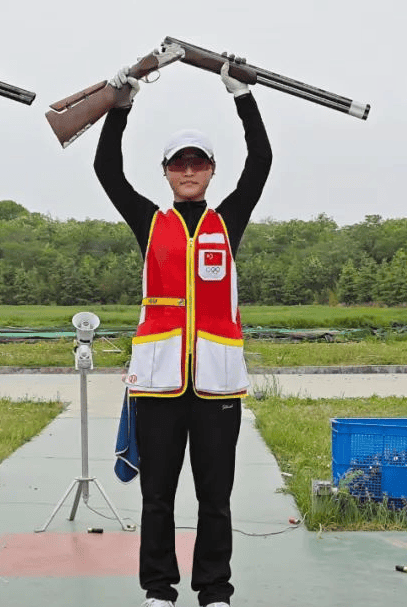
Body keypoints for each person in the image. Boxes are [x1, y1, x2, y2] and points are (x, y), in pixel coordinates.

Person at [94, 62, 272, 607]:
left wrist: (240, 91)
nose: (189, 171)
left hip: (216, 385)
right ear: (167, 172)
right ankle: (158, 589)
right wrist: (120, 104)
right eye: (179, 164)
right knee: (157, 498)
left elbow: (261, 162)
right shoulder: (149, 221)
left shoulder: (229, 219)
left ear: (211, 171)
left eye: (197, 163)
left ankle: (214, 589)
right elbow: (106, 169)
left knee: (216, 497)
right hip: (158, 385)